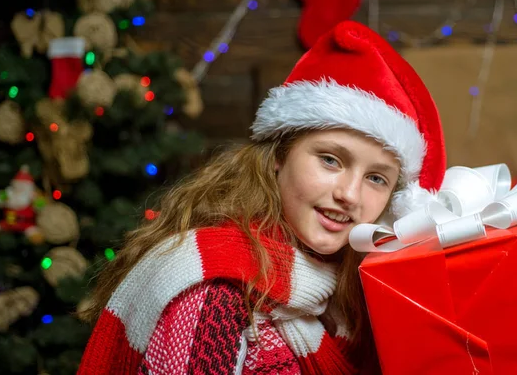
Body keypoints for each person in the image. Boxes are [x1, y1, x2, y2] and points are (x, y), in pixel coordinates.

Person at [77, 20, 446, 375]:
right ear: (279, 156)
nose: (349, 194)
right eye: (330, 160)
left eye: (376, 178)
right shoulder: (215, 295)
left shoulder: (345, 289)